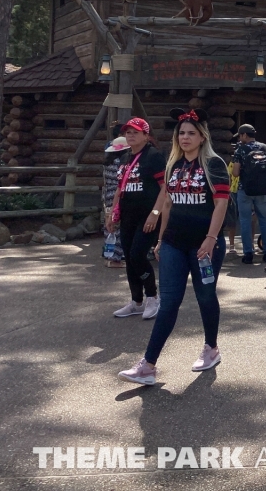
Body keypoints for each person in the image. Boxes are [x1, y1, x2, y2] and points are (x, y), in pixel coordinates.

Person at [119, 109, 230, 386]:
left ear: (202, 136)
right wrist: (160, 239)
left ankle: (211, 347)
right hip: (173, 244)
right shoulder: (173, 165)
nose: (185, 138)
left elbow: (221, 203)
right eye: (181, 133)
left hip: (204, 246)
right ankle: (148, 365)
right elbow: (167, 203)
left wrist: (211, 238)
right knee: (169, 302)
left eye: (191, 133)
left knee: (206, 296)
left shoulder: (214, 165)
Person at [109, 118, 167, 321]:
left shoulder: (154, 157)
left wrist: (156, 213)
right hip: (127, 216)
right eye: (127, 132)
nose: (130, 135)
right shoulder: (126, 157)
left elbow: (165, 188)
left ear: (146, 135)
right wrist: (112, 212)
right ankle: (136, 302)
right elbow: (120, 187)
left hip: (147, 216)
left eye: (135, 132)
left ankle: (152, 297)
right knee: (128, 258)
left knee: (137, 256)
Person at [231, 124, 266, 264]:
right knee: (264, 220)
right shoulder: (265, 148)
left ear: (244, 135)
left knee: (244, 221)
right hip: (263, 189)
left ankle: (248, 253)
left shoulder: (241, 150)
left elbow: (235, 172)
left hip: (246, 189)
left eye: (240, 135)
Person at [102, 135, 128, 268]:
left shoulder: (108, 163)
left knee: (109, 226)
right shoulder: (121, 164)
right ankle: (115, 259)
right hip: (117, 196)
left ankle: (108, 255)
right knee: (116, 227)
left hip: (107, 196)